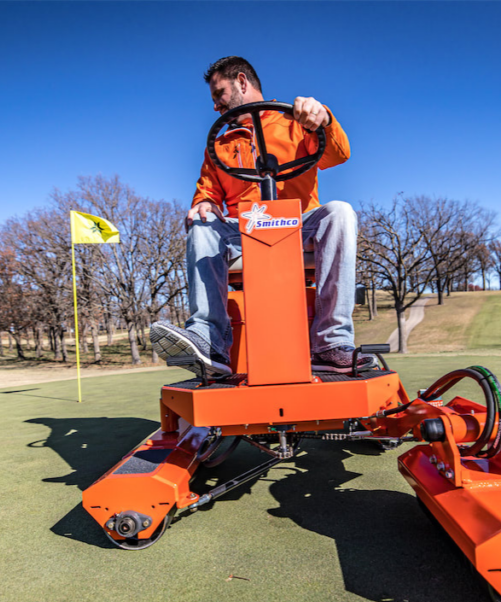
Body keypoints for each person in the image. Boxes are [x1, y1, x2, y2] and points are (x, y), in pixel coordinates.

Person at [150, 56, 374, 376]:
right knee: (201, 224)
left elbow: (338, 154)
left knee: (340, 212)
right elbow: (207, 193)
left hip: (297, 225)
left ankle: (331, 342)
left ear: (242, 82)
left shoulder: (296, 122)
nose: (215, 106)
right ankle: (208, 339)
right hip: (243, 231)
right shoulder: (221, 144)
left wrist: (323, 118)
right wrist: (203, 205)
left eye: (219, 94)